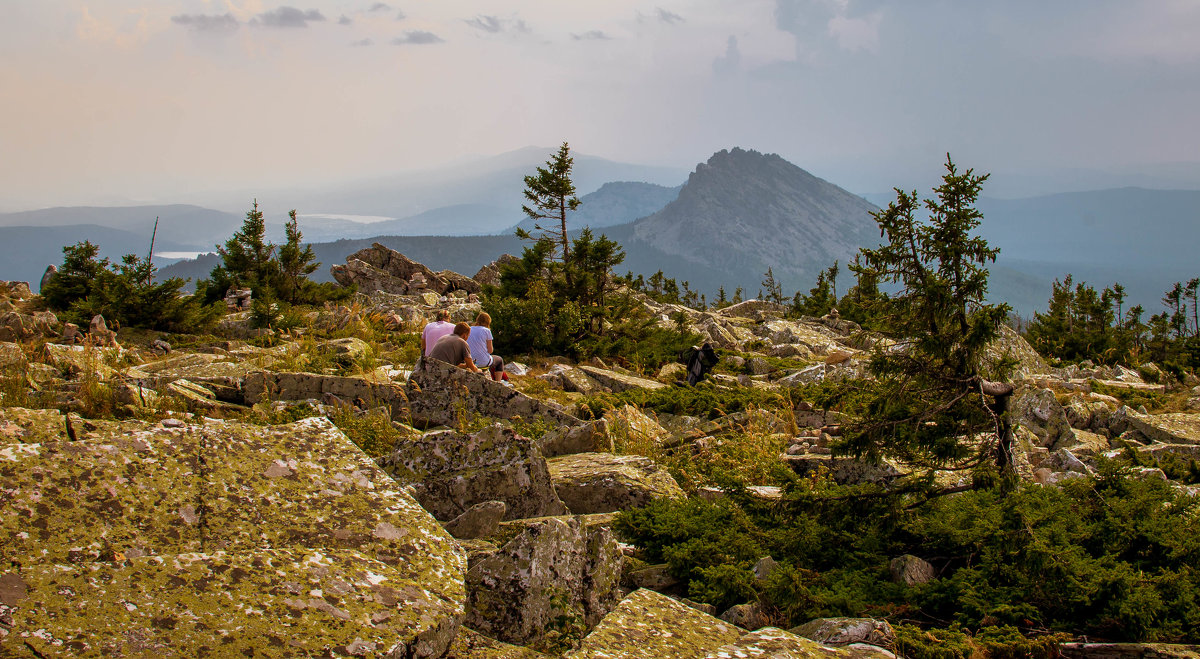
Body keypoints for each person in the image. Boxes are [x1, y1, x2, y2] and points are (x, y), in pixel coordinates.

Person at [467, 312, 508, 382]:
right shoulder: (487, 331)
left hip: (469, 361)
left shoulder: (469, 329)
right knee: (499, 360)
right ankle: (498, 383)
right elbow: (490, 350)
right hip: (483, 362)